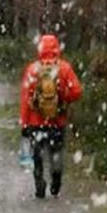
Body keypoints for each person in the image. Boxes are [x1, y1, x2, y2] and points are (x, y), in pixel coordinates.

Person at [19, 35, 83, 199]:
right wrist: (63, 98)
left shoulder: (32, 69)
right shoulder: (64, 68)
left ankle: (39, 182)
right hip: (57, 121)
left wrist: (24, 123)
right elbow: (77, 91)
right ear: (57, 48)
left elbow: (26, 99)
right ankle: (56, 182)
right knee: (56, 153)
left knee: (37, 155)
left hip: (35, 123)